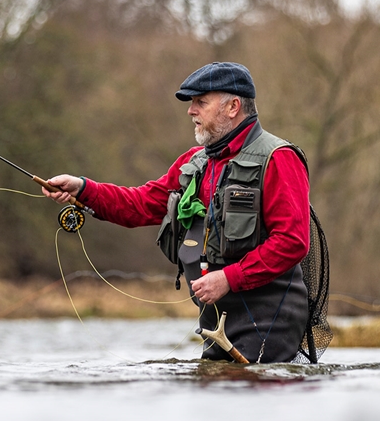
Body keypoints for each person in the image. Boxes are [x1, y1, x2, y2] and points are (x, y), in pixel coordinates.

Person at [43, 62, 311, 363]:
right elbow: (140, 204)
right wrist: (83, 189)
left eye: (201, 102)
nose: (190, 111)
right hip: (215, 319)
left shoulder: (279, 158)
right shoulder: (195, 163)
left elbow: (292, 241)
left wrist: (229, 278)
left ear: (234, 106)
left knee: (248, 399)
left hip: (270, 317)